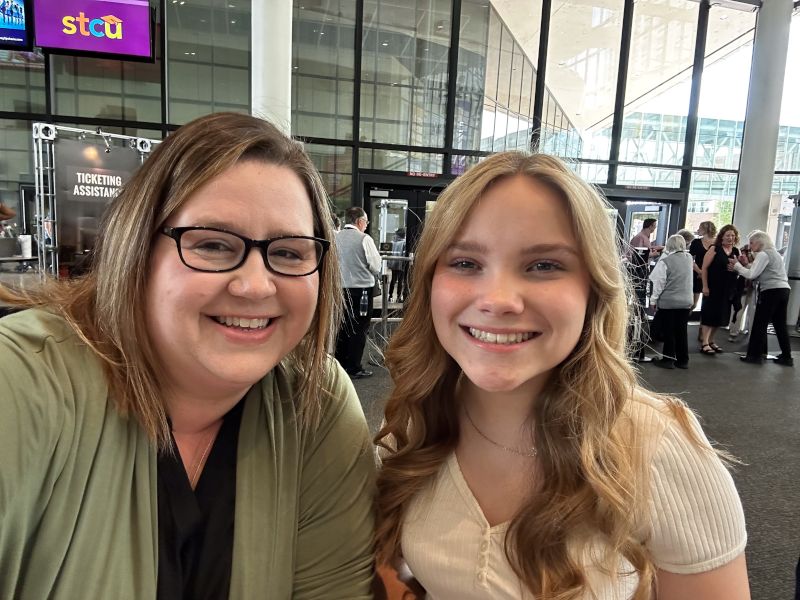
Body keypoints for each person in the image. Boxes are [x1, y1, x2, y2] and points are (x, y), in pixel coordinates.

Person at [0, 112, 376, 599]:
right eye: (214, 244)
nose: (255, 285)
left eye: (288, 253)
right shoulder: (24, 381)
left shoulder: (315, 402)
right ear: (138, 249)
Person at [375, 152, 749, 600]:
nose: (498, 300)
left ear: (593, 290)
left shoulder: (658, 448)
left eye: (544, 265)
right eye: (465, 263)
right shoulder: (412, 424)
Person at [732, 230, 793, 366]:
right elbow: (758, 271)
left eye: (752, 243)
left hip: (771, 291)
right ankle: (787, 356)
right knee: (780, 324)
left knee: (760, 323)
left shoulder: (763, 254)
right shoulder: (774, 253)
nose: (750, 245)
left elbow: (752, 275)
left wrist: (736, 266)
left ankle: (754, 356)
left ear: (760, 242)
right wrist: (745, 264)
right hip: (784, 290)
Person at [335, 205, 382, 379]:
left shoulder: (335, 237)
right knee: (359, 328)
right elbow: (376, 266)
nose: (367, 224)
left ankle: (338, 365)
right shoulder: (364, 239)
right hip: (361, 291)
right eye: (367, 221)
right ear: (360, 221)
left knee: (341, 327)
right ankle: (354, 367)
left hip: (339, 290)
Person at [649, 234, 694, 369]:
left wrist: (653, 299)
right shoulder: (689, 258)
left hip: (669, 301)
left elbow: (659, 283)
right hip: (686, 300)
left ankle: (668, 359)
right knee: (681, 331)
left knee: (669, 331)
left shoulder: (666, 261)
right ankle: (683, 360)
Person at [700, 224, 740, 355]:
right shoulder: (715, 249)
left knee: (721, 315)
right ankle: (704, 342)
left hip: (728, 288)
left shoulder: (736, 251)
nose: (730, 238)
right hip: (713, 286)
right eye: (728, 235)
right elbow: (704, 268)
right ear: (722, 236)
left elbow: (739, 269)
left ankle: (711, 340)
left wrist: (735, 269)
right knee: (709, 313)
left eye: (733, 235)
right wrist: (705, 286)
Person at [689, 221, 717, 313]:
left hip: (712, 275)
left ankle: (703, 325)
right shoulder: (696, 242)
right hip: (697, 273)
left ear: (705, 229)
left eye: (700, 228)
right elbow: (690, 259)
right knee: (693, 303)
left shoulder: (717, 243)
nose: (698, 230)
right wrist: (700, 271)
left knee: (708, 305)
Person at [387, 227, 407, 303]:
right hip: (401, 264)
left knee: (393, 280)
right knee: (400, 281)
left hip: (393, 264)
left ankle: (390, 296)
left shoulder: (392, 242)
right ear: (404, 235)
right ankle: (399, 297)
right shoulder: (404, 243)